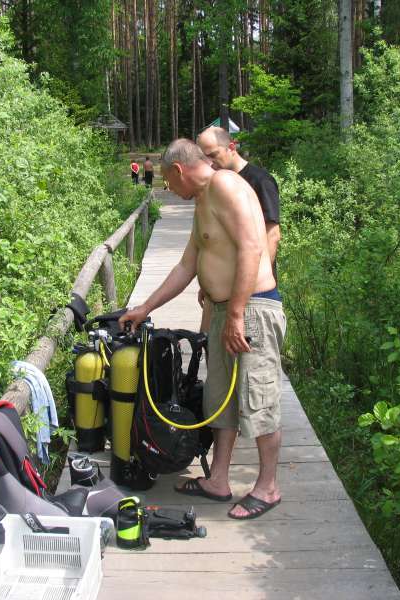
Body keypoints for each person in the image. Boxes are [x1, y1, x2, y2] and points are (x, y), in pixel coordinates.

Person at [119, 139, 286, 520]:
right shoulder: (202, 203)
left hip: (252, 311)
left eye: (167, 182)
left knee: (258, 399)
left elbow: (251, 248)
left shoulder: (226, 185)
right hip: (224, 311)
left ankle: (268, 487)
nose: (169, 191)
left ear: (178, 170)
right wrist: (144, 308)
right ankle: (219, 480)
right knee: (219, 401)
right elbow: (185, 267)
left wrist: (237, 315)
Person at [196, 126, 281, 333]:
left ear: (231, 147)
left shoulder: (260, 181)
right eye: (204, 158)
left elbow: (272, 236)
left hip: (250, 293)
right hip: (218, 296)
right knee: (209, 346)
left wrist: (248, 285)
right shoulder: (212, 184)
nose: (210, 163)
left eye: (213, 155)